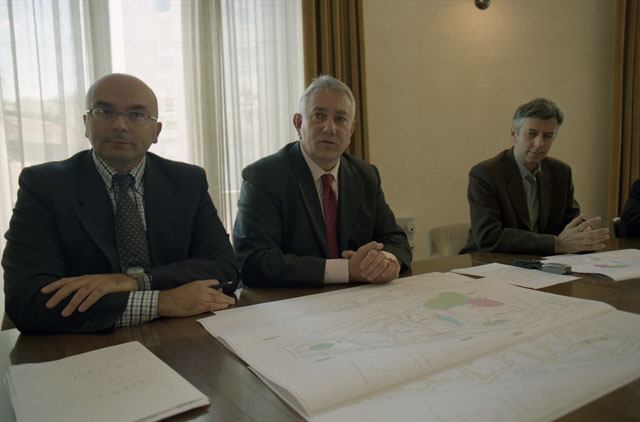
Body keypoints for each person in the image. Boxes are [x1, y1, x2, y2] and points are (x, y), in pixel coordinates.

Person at [2, 73, 238, 333]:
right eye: (104, 111)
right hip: (83, 346)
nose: (119, 125)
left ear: (157, 131)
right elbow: (28, 299)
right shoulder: (44, 185)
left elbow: (225, 268)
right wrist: (161, 302)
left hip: (177, 337)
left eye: (136, 114)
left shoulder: (186, 181)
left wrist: (136, 282)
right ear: (86, 123)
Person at [233, 75, 411, 287]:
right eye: (319, 116)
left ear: (351, 130)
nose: (330, 128)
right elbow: (254, 262)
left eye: (340, 119)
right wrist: (345, 270)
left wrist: (385, 261)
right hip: (291, 301)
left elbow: (396, 240)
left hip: (357, 301)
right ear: (299, 124)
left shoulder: (366, 175)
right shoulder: (263, 177)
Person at [460, 98, 609, 255]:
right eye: (531, 134)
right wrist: (555, 244)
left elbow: (570, 220)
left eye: (548, 136)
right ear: (514, 134)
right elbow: (489, 237)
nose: (539, 143)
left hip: (539, 263)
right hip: (487, 261)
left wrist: (583, 233)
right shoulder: (485, 174)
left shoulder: (560, 172)